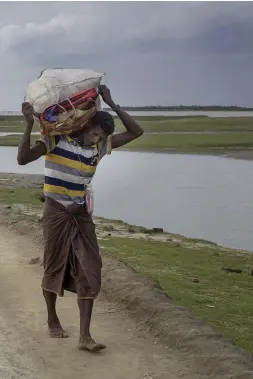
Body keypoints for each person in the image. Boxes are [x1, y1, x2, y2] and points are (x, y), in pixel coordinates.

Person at [17, 85, 144, 352]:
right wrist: (28, 125)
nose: (96, 137)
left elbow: (136, 132)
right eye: (94, 131)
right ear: (85, 125)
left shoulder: (100, 147)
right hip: (55, 212)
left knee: (90, 268)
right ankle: (52, 317)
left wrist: (112, 102)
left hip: (80, 214)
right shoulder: (55, 140)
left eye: (100, 135)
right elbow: (22, 159)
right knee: (53, 265)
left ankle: (85, 336)